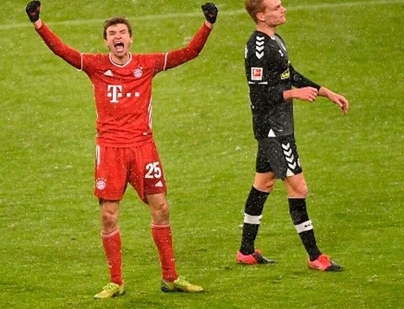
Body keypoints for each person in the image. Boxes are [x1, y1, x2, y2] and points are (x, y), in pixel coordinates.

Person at [25, 0, 218, 299]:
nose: (118, 36)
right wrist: (39, 24)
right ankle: (116, 281)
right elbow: (63, 51)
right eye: (113, 32)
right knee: (109, 215)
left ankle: (170, 277)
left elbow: (188, 53)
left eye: (123, 32)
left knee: (161, 207)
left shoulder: (147, 64)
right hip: (111, 149)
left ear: (130, 38)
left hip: (143, 147)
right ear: (106, 41)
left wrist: (207, 26)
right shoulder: (95, 65)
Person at [237, 0, 349, 272]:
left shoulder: (275, 39)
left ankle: (246, 251)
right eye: (276, 7)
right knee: (299, 189)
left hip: (279, 126)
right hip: (273, 129)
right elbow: (259, 95)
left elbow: (290, 74)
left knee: (263, 183)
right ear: (261, 15)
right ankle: (315, 257)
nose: (283, 9)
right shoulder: (258, 49)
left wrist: (325, 92)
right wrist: (293, 94)